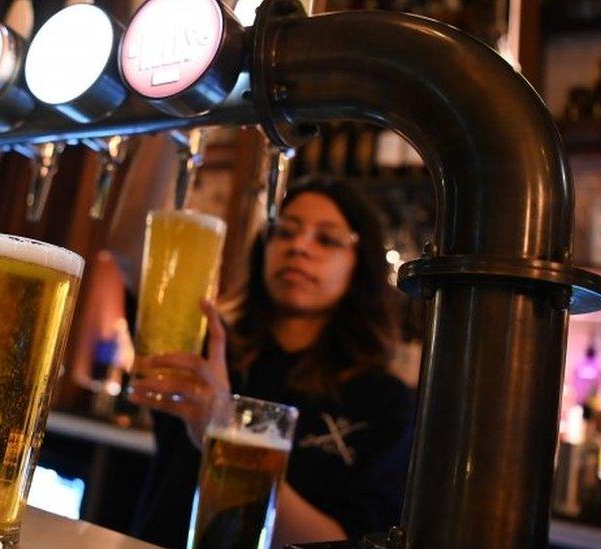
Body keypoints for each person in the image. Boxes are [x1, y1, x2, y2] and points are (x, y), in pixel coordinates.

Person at [128, 179, 415, 548]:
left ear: (360, 266)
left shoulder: (385, 402)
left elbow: (347, 542)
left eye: (326, 239)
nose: (298, 247)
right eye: (285, 232)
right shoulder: (210, 356)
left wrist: (225, 438)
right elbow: (129, 250)